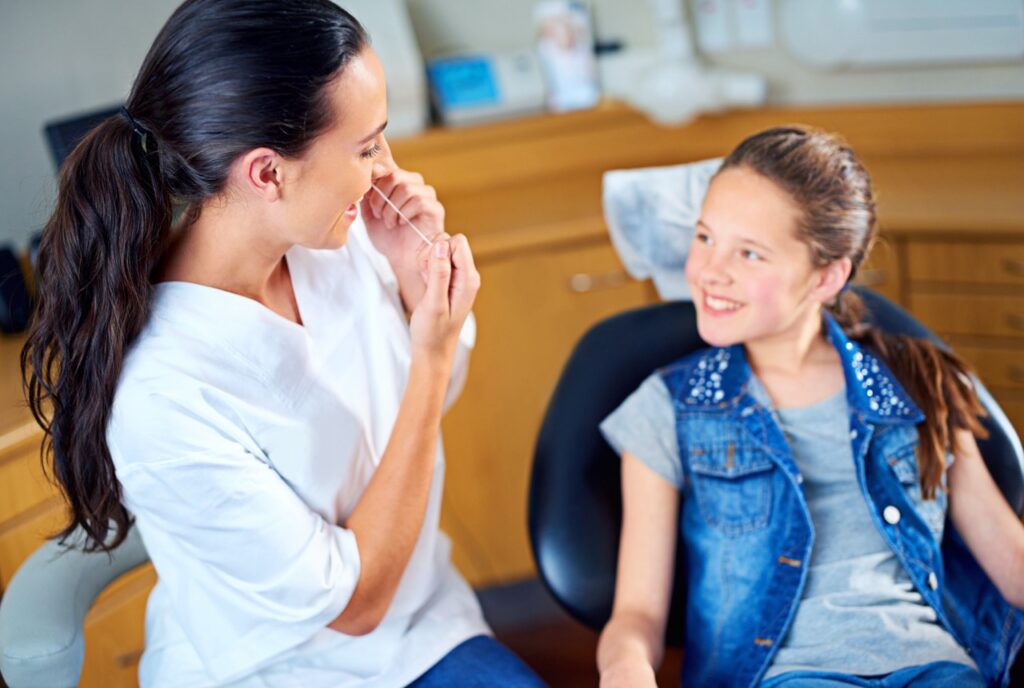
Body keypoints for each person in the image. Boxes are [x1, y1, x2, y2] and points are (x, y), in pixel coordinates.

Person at [21, 1, 546, 686]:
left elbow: (426, 408)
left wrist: (416, 289)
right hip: (283, 665)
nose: (386, 169)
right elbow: (353, 606)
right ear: (268, 173)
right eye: (366, 148)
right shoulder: (162, 395)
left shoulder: (340, 238)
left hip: (422, 623)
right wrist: (431, 353)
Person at [595, 126, 1024, 687]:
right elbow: (636, 615)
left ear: (827, 276)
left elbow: (1011, 560)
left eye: (750, 252)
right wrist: (624, 670)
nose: (710, 270)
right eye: (705, 237)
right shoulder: (670, 409)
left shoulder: (919, 381)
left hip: (933, 665)